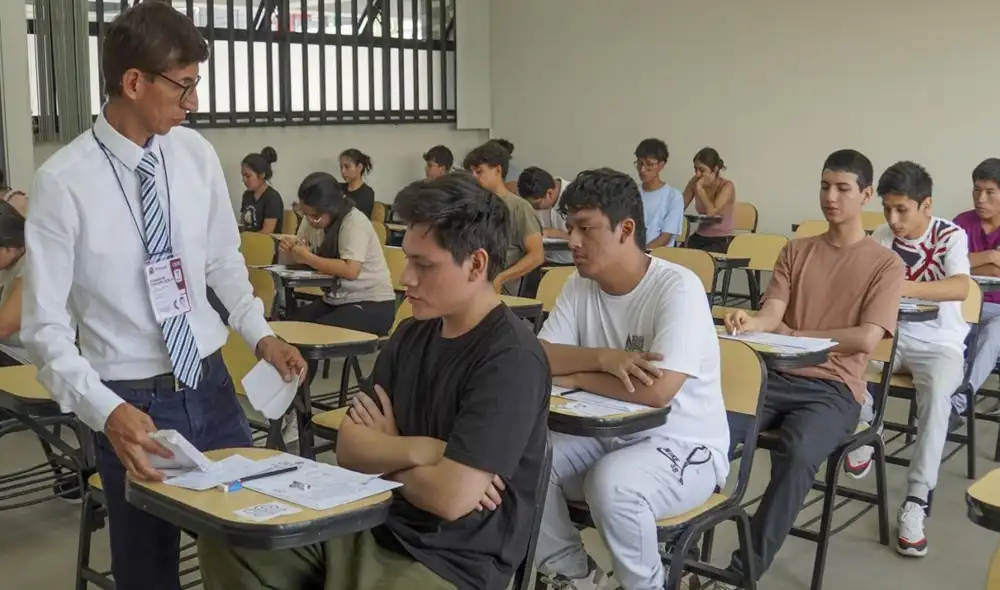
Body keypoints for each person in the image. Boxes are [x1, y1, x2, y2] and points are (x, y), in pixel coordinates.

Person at [21, 5, 307, 590]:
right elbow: (44, 329)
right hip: (130, 402)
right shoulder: (64, 182)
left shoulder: (194, 156)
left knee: (252, 551)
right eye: (184, 85)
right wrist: (107, 414)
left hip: (210, 384)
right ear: (134, 82)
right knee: (149, 571)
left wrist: (262, 335)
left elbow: (224, 263)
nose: (193, 101)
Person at [198, 172, 551, 590]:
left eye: (424, 264)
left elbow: (450, 499)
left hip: (450, 559)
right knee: (231, 538)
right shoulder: (412, 333)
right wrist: (428, 451)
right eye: (408, 259)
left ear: (476, 264)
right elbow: (350, 449)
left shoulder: (510, 358)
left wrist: (387, 454)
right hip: (372, 518)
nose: (406, 279)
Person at [533, 168, 728, 590]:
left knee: (613, 484)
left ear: (626, 229)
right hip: (603, 432)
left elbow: (657, 391)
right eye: (569, 228)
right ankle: (576, 575)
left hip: (681, 442)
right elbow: (540, 358)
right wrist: (605, 359)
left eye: (585, 229)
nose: (572, 242)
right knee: (521, 453)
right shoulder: (578, 284)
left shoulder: (677, 288)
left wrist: (579, 375)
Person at [721, 149, 904, 583]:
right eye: (825, 186)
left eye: (843, 188)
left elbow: (865, 338)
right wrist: (750, 321)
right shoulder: (796, 250)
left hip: (834, 389)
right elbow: (772, 313)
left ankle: (742, 571)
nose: (831, 197)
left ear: (866, 195)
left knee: (798, 452)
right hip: (775, 375)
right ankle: (682, 536)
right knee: (709, 429)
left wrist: (797, 335)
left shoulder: (885, 264)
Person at [844, 161, 969, 557]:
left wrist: (901, 286)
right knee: (844, 363)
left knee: (936, 404)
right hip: (891, 337)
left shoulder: (950, 235)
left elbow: (961, 287)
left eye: (903, 210)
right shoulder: (881, 236)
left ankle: (916, 500)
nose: (893, 220)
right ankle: (867, 425)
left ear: (926, 205)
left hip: (939, 344)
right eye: (887, 209)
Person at [279, 172, 396, 336]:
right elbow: (300, 259)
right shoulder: (311, 220)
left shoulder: (354, 222)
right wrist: (290, 250)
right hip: (336, 300)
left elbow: (350, 270)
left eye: (315, 216)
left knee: (311, 334)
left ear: (332, 209)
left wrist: (307, 257)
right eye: (304, 214)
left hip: (371, 304)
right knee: (288, 328)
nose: (310, 220)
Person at [463, 141, 543, 295]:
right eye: (471, 173)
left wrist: (502, 277)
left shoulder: (519, 207)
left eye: (479, 172)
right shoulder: (472, 206)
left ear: (498, 170)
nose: (473, 177)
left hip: (501, 289)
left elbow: (536, 255)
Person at [953, 158, 1000, 416]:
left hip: (998, 311)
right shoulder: (962, 222)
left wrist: (968, 264)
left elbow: (961, 265)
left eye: (989, 192)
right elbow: (947, 266)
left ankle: (956, 405)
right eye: (976, 190)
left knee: (993, 334)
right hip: (964, 305)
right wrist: (992, 258)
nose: (980, 198)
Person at [683, 147, 736, 253]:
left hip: (721, 238)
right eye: (695, 169)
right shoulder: (695, 181)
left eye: (702, 170)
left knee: (701, 263)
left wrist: (699, 189)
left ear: (715, 169)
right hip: (700, 236)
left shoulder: (727, 186)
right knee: (677, 257)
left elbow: (711, 212)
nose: (697, 174)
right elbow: (679, 206)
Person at [634, 138, 684, 248]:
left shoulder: (673, 196)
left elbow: (665, 237)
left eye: (649, 164)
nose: (642, 169)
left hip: (658, 257)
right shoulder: (632, 192)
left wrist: (643, 253)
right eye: (640, 163)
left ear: (661, 165)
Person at [517, 166, 573, 265]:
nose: (533, 208)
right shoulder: (537, 193)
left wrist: (554, 233)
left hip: (571, 265)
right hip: (542, 262)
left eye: (536, 205)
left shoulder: (577, 197)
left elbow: (589, 239)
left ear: (549, 194)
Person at [0, 201, 29, 366]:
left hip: (25, 358)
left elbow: (4, 326)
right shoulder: (6, 265)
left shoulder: (32, 266)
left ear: (9, 244)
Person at [238, 146, 283, 234]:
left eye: (248, 176)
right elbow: (243, 224)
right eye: (243, 176)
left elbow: (267, 232)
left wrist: (246, 240)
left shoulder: (272, 198)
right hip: (248, 242)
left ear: (262, 175)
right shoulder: (247, 195)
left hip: (265, 245)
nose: (244, 180)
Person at [340, 148, 376, 219]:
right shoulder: (337, 188)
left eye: (347, 167)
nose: (343, 171)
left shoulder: (367, 193)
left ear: (359, 167)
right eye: (341, 167)